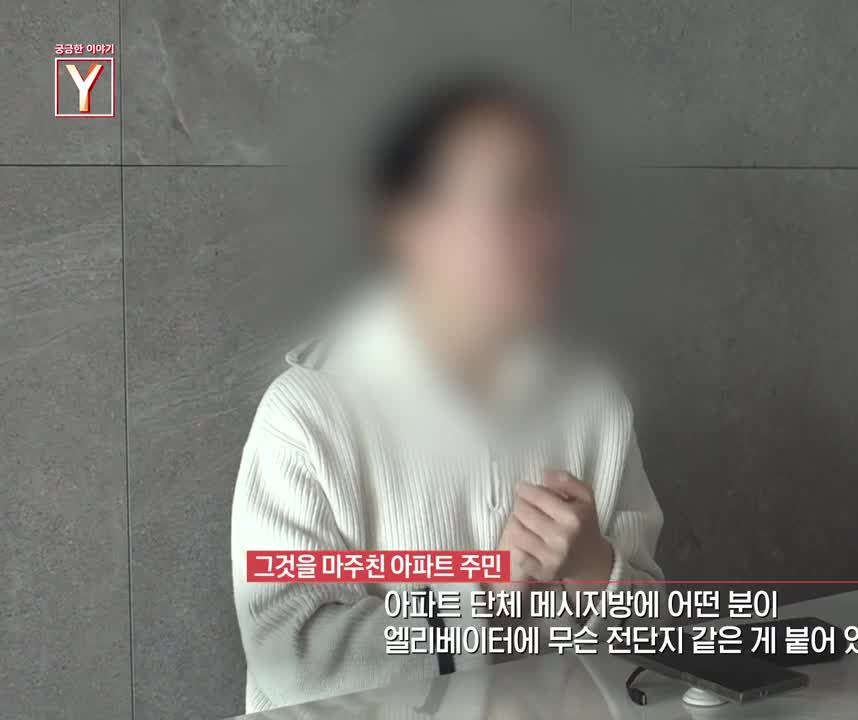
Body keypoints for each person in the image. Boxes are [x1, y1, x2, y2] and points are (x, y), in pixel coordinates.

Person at [230, 75, 664, 713]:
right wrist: (485, 598)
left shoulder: (594, 403)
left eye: (553, 199)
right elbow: (291, 658)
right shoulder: (306, 419)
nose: (551, 233)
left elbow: (654, 638)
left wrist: (596, 571)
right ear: (413, 226)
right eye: (516, 199)